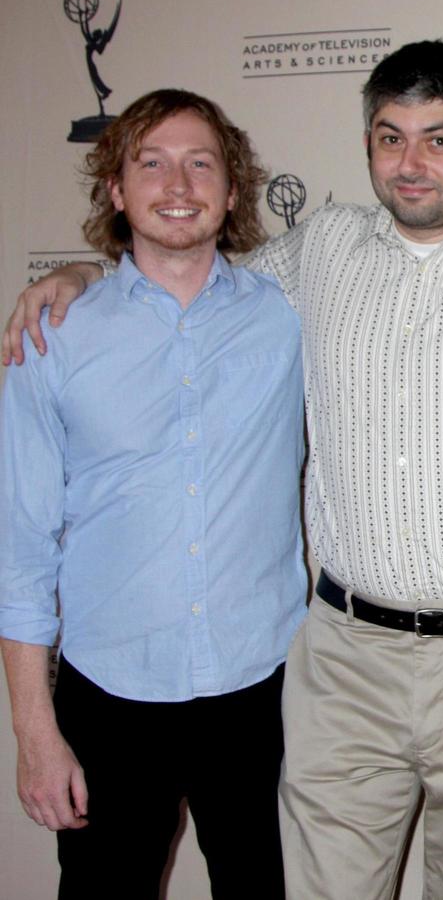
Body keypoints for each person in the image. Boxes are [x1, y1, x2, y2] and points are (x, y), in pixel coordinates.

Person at [2, 40, 443, 899]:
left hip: (433, 666)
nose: (412, 161)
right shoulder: (308, 257)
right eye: (390, 137)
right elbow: (184, 283)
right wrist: (75, 274)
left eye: (439, 139)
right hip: (280, 670)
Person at [0, 89, 303, 898]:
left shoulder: (288, 315)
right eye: (152, 162)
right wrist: (35, 732)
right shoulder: (51, 336)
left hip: (262, 690)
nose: (179, 183)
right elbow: (21, 553)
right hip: (110, 696)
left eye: (201, 163)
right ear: (116, 190)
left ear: (233, 191)